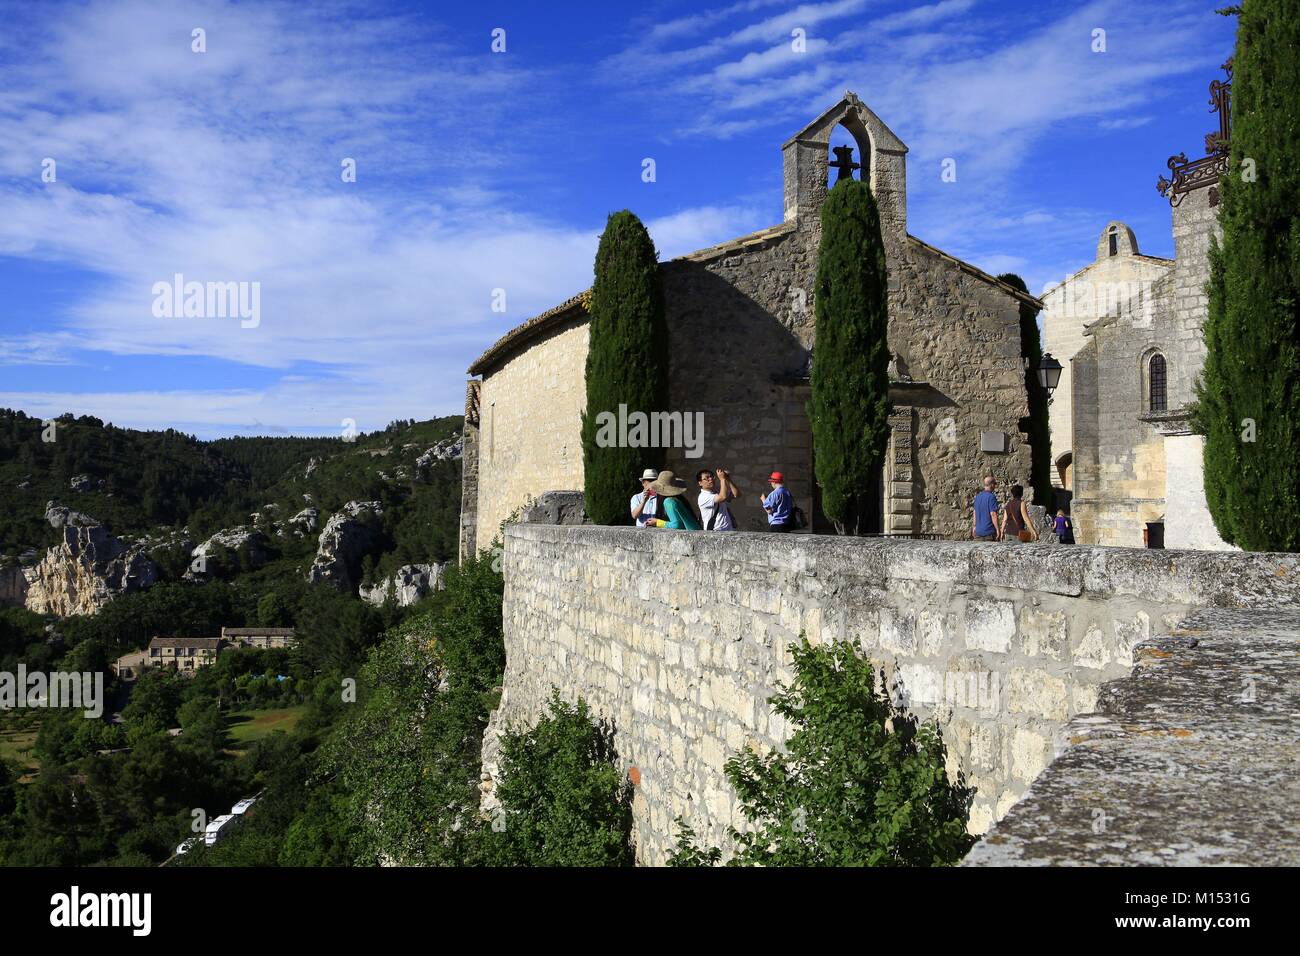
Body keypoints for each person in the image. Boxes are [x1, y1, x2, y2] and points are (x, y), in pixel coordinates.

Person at [972, 476, 1001, 542]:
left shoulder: (978, 497)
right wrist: (997, 529)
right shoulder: (991, 497)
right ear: (991, 484)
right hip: (989, 533)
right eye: (994, 484)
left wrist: (974, 526)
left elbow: (975, 513)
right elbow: (993, 514)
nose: (995, 486)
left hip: (978, 532)